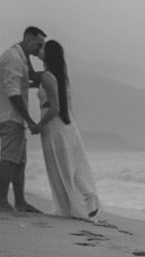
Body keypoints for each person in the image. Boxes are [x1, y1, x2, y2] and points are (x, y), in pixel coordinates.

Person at [36, 40, 101, 220]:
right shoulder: (59, 76)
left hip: (55, 128)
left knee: (62, 168)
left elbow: (54, 107)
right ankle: (88, 201)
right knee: (73, 167)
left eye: (42, 48)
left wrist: (37, 126)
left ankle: (73, 207)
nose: (39, 50)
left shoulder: (48, 77)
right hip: (68, 127)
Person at [0, 26, 46, 213]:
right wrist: (29, 120)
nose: (40, 49)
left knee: (19, 160)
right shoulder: (14, 59)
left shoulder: (20, 55)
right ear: (28, 39)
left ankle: (20, 201)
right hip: (9, 115)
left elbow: (28, 78)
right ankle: (2, 201)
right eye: (38, 44)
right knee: (8, 159)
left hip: (11, 116)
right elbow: (13, 93)